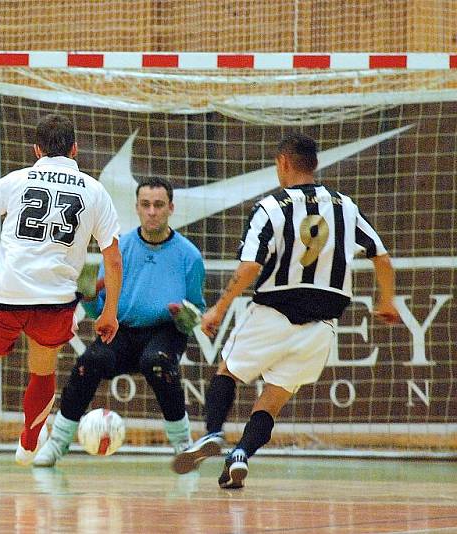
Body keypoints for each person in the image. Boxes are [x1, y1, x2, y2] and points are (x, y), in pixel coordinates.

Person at [172, 132, 401, 488]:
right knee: (273, 399)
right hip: (321, 326)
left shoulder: (270, 207)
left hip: (272, 313)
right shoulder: (346, 206)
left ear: (282, 163)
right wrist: (386, 301)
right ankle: (241, 455)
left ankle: (214, 434)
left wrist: (218, 308)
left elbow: (250, 266)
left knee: (227, 371)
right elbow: (382, 258)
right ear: (315, 164)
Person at [0, 113, 123, 486]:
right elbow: (113, 257)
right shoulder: (94, 190)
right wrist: (109, 313)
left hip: (5, 295)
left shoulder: (18, 179)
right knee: (42, 371)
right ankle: (29, 442)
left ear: (36, 150)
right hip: (55, 300)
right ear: (75, 149)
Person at [33, 176, 206, 467]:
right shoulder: (118, 248)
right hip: (121, 331)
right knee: (89, 363)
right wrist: (87, 298)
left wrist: (186, 317)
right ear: (137, 208)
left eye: (159, 205)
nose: (152, 211)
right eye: (146, 205)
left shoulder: (189, 256)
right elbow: (99, 310)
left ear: (171, 208)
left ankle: (182, 446)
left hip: (165, 332)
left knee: (158, 362)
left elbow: (195, 313)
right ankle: (57, 443)